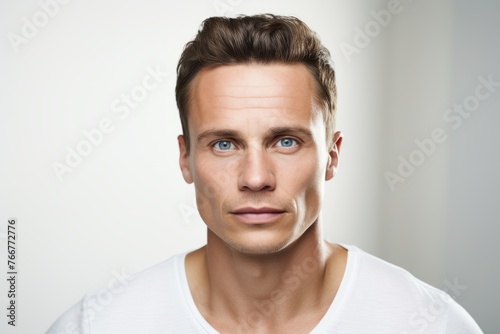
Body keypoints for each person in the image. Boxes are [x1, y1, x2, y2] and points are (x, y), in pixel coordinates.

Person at [47, 14, 483, 334]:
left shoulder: (431, 324)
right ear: (185, 160)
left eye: (285, 142)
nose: (255, 178)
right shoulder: (97, 325)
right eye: (224, 144)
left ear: (332, 156)